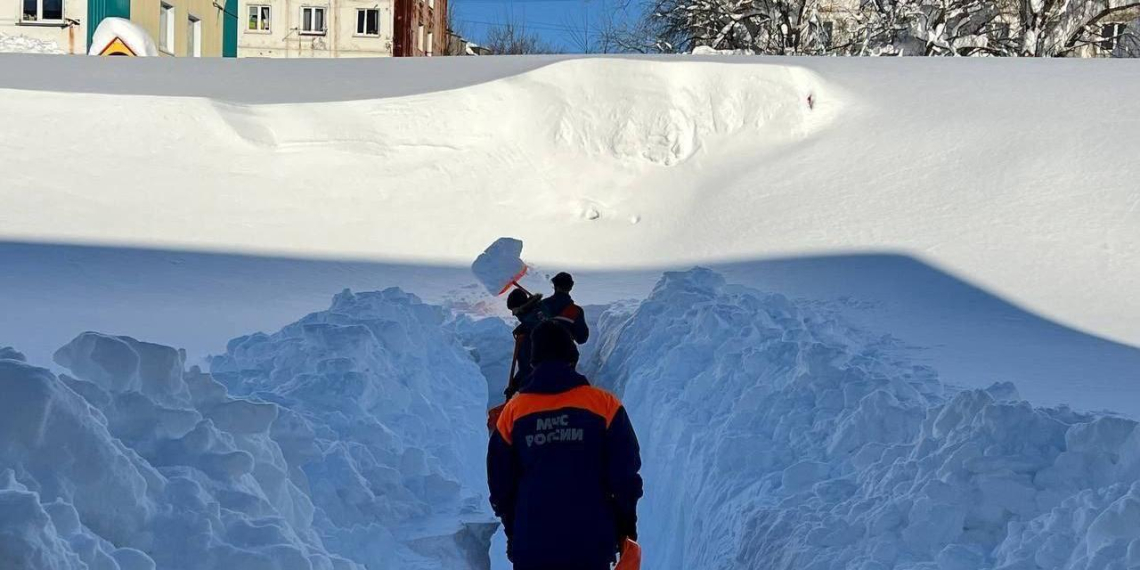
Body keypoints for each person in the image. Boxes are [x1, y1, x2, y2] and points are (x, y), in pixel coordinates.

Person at [487, 321, 643, 570]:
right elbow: (624, 477)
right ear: (572, 358)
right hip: (591, 540)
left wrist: (514, 531)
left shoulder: (513, 413)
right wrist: (626, 526)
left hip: (532, 541)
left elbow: (501, 485)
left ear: (533, 362)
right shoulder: (605, 405)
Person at [540, 272, 589, 345]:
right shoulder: (576, 311)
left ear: (555, 286)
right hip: (564, 353)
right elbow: (582, 339)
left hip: (539, 352)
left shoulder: (541, 305)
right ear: (571, 287)